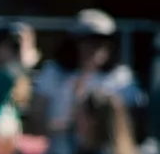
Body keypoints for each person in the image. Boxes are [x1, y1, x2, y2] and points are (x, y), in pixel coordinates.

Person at [28, 9, 144, 137]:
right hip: (57, 145)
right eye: (88, 41)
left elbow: (133, 120)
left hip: (107, 146)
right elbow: (36, 115)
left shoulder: (121, 77)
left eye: (103, 41)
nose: (96, 48)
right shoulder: (53, 72)